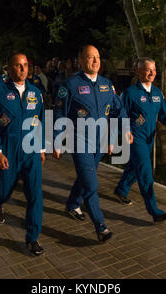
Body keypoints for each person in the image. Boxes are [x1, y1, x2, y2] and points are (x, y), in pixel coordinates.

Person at [53, 45, 133, 243]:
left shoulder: (107, 84)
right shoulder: (70, 85)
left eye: (98, 57)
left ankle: (72, 204)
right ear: (81, 60)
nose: (96, 61)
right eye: (91, 57)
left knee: (85, 178)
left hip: (100, 142)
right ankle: (101, 227)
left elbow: (118, 109)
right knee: (91, 185)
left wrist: (124, 129)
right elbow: (59, 114)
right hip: (79, 142)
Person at [0, 52, 46, 256]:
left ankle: (32, 238)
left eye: (25, 65)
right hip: (8, 151)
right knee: (4, 189)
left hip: (31, 151)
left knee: (35, 195)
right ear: (9, 68)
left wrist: (42, 147)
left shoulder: (36, 93)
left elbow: (40, 120)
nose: (22, 69)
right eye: (18, 66)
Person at [114, 58, 166, 222]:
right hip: (134, 137)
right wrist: (124, 131)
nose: (152, 73)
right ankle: (154, 211)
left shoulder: (157, 93)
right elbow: (119, 114)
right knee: (145, 172)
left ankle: (121, 190)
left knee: (134, 166)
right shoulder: (130, 93)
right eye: (147, 69)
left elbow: (165, 113)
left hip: (149, 137)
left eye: (154, 69)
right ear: (138, 72)